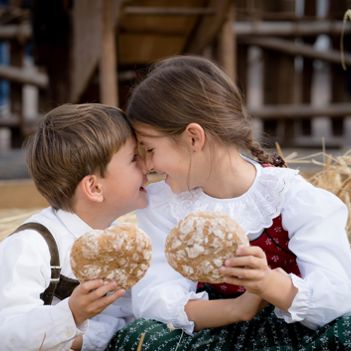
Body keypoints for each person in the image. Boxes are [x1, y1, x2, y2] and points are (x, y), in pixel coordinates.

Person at [107, 56, 351, 351]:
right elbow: (154, 300)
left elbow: (339, 298)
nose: (145, 166)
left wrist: (268, 284)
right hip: (209, 337)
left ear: (193, 138)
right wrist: (239, 308)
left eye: (149, 149)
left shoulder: (292, 197)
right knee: (137, 337)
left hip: (289, 337)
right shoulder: (163, 204)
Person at [0, 103, 148, 350]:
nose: (147, 165)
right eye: (134, 158)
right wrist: (71, 313)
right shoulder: (31, 245)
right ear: (94, 188)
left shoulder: (125, 241)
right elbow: (7, 334)